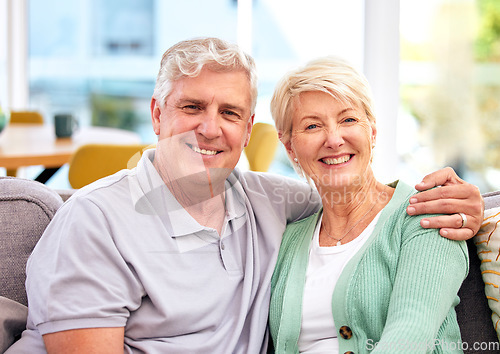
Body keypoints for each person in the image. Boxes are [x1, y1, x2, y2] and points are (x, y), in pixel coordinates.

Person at [7, 38, 481, 354]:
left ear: (248, 130)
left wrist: (472, 203)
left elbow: (359, 200)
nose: (210, 128)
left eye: (230, 113)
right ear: (157, 115)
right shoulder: (96, 221)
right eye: (191, 107)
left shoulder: (274, 204)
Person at [269, 56, 470, 353]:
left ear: (372, 132)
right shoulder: (288, 239)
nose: (334, 139)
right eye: (312, 126)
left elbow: (411, 336)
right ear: (290, 148)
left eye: (348, 120)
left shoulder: (426, 214)